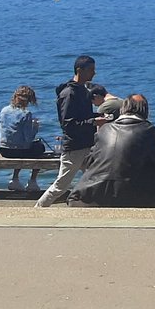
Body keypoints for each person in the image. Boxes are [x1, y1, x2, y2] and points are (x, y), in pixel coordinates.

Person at [68, 94, 155, 207]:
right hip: (132, 197)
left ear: (122, 110)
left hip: (88, 195)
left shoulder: (104, 130)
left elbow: (88, 161)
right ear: (145, 111)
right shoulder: (147, 130)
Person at [35, 54, 109, 208]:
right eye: (91, 70)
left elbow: (83, 116)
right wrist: (94, 121)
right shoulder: (69, 93)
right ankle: (38, 210)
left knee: (95, 178)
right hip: (74, 147)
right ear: (79, 70)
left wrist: (99, 116)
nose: (94, 73)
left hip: (86, 144)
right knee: (60, 186)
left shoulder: (83, 90)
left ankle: (97, 206)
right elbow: (68, 124)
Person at [0, 84, 48, 193]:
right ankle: (32, 181)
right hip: (19, 150)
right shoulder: (26, 114)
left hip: (4, 150)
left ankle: (14, 179)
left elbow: (1, 130)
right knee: (40, 147)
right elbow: (28, 139)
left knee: (20, 147)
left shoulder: (4, 110)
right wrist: (35, 127)